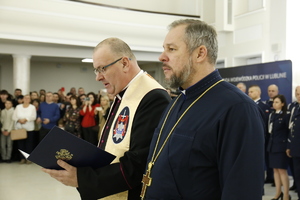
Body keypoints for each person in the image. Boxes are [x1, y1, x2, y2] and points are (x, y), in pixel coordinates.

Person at [141, 19, 265, 199]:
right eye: (164, 48)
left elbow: (241, 191)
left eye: (172, 49)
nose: (162, 56)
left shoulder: (238, 109)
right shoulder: (176, 102)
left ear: (200, 54)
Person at [42, 37, 170, 200]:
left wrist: (83, 178)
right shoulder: (122, 95)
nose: (98, 77)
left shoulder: (152, 97)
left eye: (102, 69)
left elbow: (138, 165)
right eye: (96, 70)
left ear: (124, 63)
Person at [248, 85, 273, 184]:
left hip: (263, 138)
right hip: (251, 138)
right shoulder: (247, 105)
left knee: (263, 161)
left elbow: (266, 123)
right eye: (249, 91)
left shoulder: (264, 107)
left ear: (258, 93)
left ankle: (267, 179)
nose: (249, 93)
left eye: (252, 91)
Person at [267, 94, 290, 200]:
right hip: (272, 146)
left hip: (281, 146)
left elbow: (288, 131)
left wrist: (288, 146)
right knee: (275, 170)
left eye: (277, 102)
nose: (274, 104)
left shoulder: (286, 115)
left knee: (282, 170)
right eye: (273, 102)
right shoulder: (272, 115)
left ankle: (286, 194)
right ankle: (278, 192)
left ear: (282, 104)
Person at [12, 94, 37, 164]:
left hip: (29, 129)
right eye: (25, 98)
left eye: (28, 98)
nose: (26, 99)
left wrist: (26, 119)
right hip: (20, 128)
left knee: (29, 144)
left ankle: (28, 159)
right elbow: (14, 117)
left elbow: (34, 117)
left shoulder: (32, 107)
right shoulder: (18, 107)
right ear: (23, 99)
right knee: (21, 145)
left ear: (30, 100)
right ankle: (22, 158)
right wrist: (19, 120)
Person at [287, 85, 300, 200]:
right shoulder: (295, 107)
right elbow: (291, 128)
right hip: (296, 147)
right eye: (297, 94)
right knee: (297, 173)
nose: (299, 96)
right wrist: (289, 145)